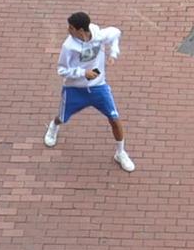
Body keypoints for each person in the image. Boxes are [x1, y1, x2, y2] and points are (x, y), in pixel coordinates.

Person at [42, 11, 135, 171]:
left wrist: (113, 52)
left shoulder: (98, 35)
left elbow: (116, 33)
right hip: (75, 89)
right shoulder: (68, 46)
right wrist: (82, 73)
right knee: (63, 118)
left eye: (70, 28)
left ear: (80, 30)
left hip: (99, 87)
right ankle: (53, 126)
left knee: (114, 118)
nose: (67, 30)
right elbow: (62, 70)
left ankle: (120, 153)